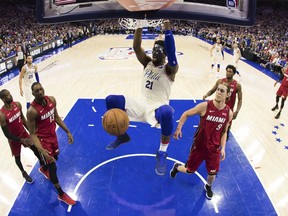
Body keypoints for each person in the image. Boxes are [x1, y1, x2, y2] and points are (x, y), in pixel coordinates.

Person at [104, 20, 179, 176]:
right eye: (154, 48)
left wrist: (167, 30)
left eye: (159, 49)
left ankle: (162, 152)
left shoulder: (170, 69)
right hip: (140, 104)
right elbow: (137, 47)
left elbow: (172, 55)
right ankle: (122, 136)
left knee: (167, 113)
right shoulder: (147, 63)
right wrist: (139, 24)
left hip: (157, 107)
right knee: (111, 100)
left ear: (165, 54)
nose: (155, 51)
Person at [170, 83, 233, 200]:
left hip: (214, 149)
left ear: (228, 94)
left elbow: (224, 132)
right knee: (189, 171)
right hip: (199, 146)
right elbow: (186, 114)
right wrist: (179, 128)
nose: (218, 92)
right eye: (218, 90)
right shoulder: (205, 106)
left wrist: (223, 148)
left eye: (222, 91)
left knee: (212, 174)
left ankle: (208, 186)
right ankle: (177, 167)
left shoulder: (228, 113)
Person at [26, 82, 76, 205]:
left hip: (53, 136)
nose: (40, 92)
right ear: (32, 93)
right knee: (53, 167)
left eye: (40, 89)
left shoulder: (52, 100)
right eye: (36, 91)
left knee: (56, 158)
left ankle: (43, 168)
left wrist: (68, 131)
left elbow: (57, 117)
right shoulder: (32, 111)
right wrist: (41, 150)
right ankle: (61, 194)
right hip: (43, 141)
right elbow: (32, 134)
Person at [0, 89, 44, 184]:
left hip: (23, 133)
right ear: (3, 99)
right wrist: (21, 140)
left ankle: (42, 163)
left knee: (35, 148)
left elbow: (23, 120)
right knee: (17, 157)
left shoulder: (18, 105)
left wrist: (31, 133)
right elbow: (6, 134)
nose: (10, 96)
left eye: (10, 93)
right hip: (13, 139)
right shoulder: (2, 115)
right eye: (7, 95)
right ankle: (23, 172)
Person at [203, 65, 242, 140]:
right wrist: (206, 95)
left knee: (226, 130)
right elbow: (212, 90)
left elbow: (240, 100)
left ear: (234, 73)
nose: (228, 73)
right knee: (213, 127)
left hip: (228, 111)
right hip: (217, 108)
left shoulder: (237, 85)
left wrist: (237, 111)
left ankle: (222, 146)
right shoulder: (220, 81)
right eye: (227, 71)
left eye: (230, 72)